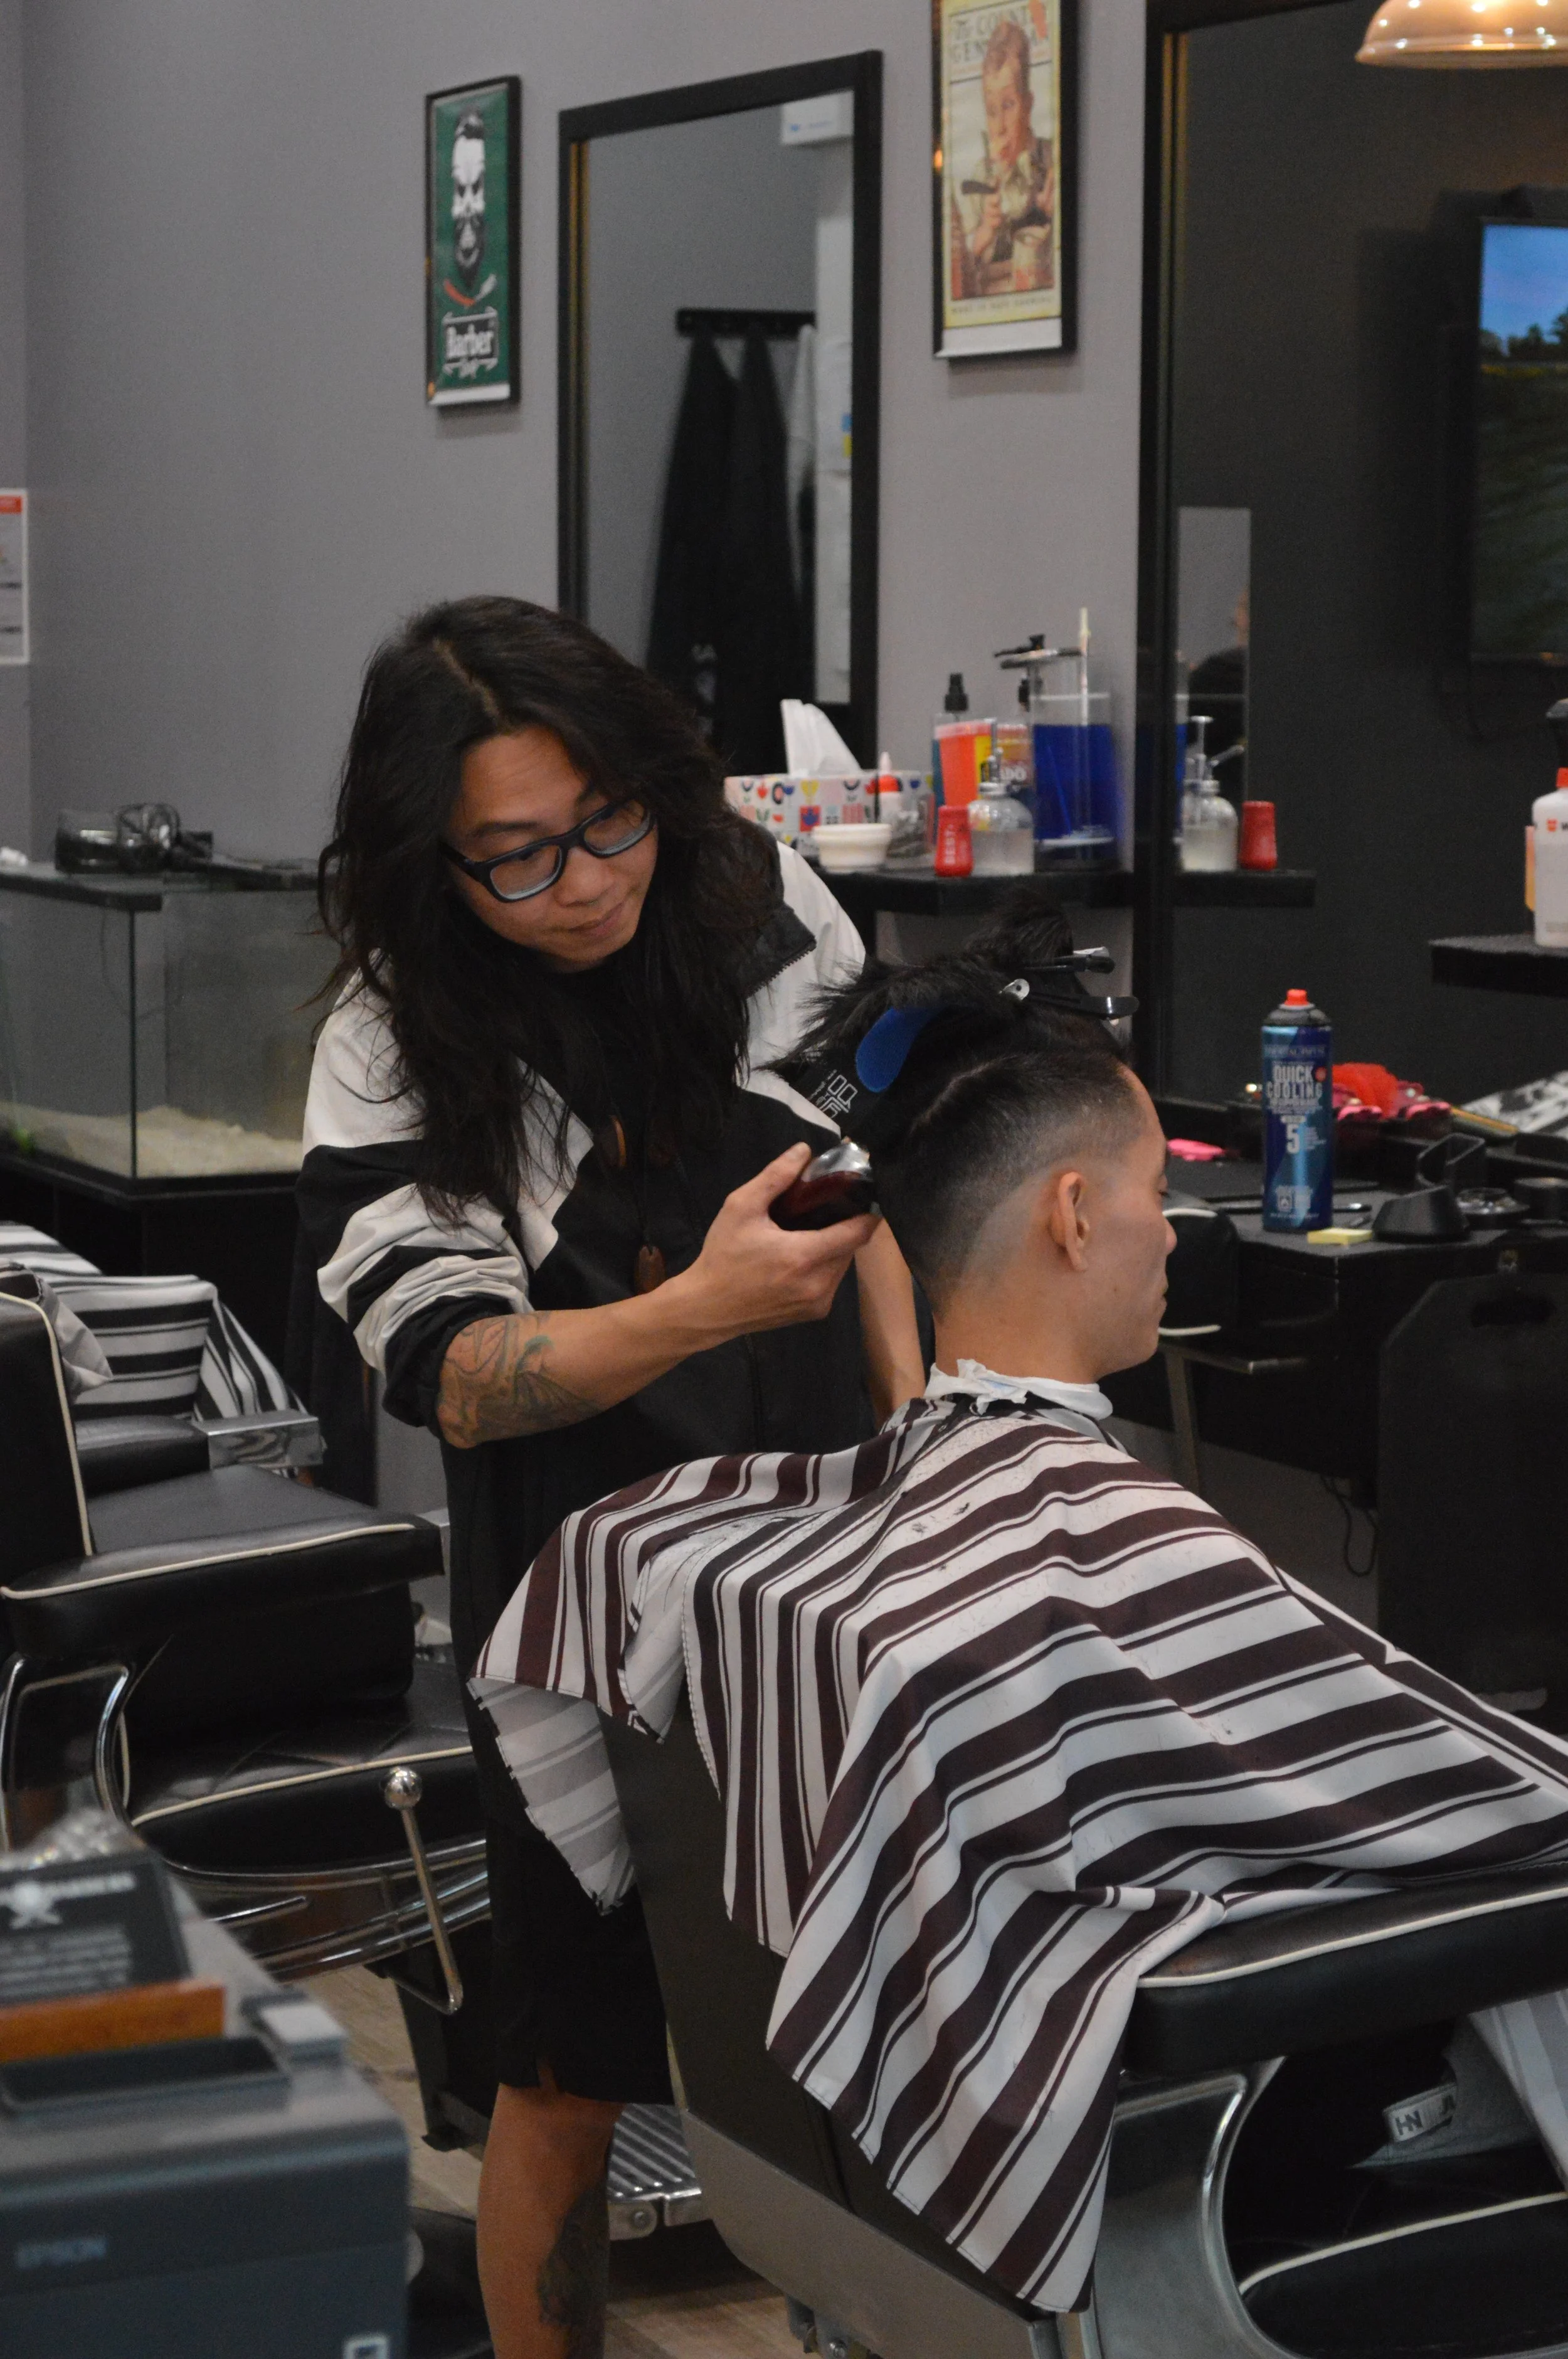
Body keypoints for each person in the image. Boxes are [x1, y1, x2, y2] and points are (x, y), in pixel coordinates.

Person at [474, 881, 1568, 2314]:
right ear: (1070, 1213)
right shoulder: (1085, 1570)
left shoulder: (723, 1543)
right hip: (1210, 2194)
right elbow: (1485, 1801)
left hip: (842, 2194)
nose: (1172, 1234)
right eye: (1154, 1197)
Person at [298, 595, 923, 2359]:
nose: (580, 882)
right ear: (434, 864)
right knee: (568, 2066)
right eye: (514, 857)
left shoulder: (753, 897)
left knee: (856, 2037)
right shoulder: (391, 1043)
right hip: (571, 1604)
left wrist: (929, 1425)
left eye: (606, 824)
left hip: (820, 1558)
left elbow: (862, 1188)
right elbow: (460, 1382)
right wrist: (694, 1306)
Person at [956, 16, 1056, 298]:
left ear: (1029, 104)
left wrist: (1047, 216)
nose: (999, 125)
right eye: (991, 111)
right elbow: (961, 267)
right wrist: (986, 229)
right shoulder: (979, 179)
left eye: (1009, 106)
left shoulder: (1051, 162)